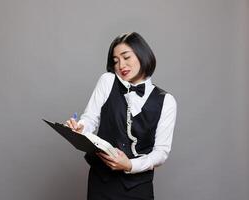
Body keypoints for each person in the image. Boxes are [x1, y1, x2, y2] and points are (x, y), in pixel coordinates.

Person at [66, 32, 177, 200]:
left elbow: (161, 152)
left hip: (138, 188)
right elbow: (90, 118)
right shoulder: (107, 81)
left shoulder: (167, 101)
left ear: (142, 54)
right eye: (115, 60)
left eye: (126, 57)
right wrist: (81, 127)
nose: (120, 65)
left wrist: (130, 165)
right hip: (101, 182)